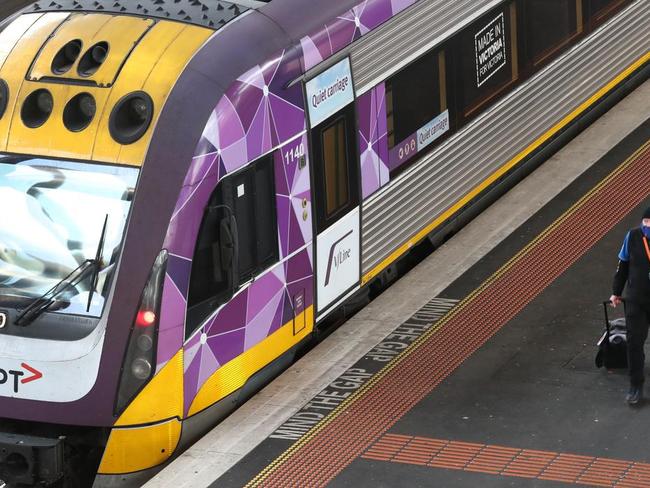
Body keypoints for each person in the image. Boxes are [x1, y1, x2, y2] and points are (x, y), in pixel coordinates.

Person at [610, 206, 650, 405]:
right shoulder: (633, 237)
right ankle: (636, 386)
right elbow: (622, 265)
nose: (647, 226)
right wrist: (616, 292)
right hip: (636, 300)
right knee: (634, 343)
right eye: (645, 222)